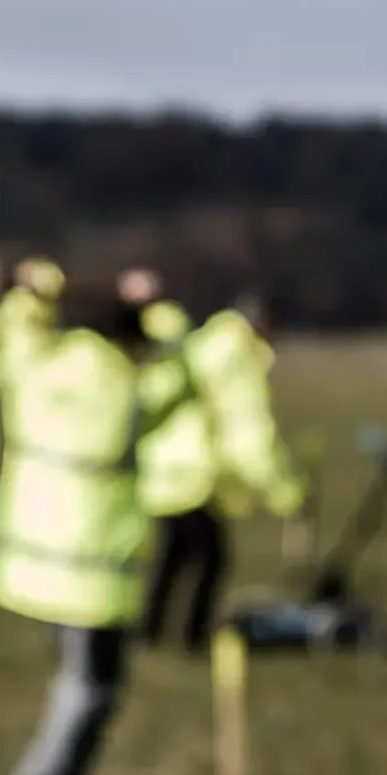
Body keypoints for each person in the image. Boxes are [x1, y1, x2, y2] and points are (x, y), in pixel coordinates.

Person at [0, 253, 150, 775]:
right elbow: (188, 370)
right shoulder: (129, 384)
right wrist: (155, 307)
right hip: (94, 571)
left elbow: (15, 329)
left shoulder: (38, 366)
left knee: (78, 682)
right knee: (92, 688)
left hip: (32, 564)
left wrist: (37, 288)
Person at [131, 277, 312, 649]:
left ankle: (150, 630)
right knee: (211, 559)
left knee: (174, 554)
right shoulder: (236, 357)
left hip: (164, 467)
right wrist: (287, 492)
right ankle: (192, 636)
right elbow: (251, 436)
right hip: (196, 472)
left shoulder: (207, 341)